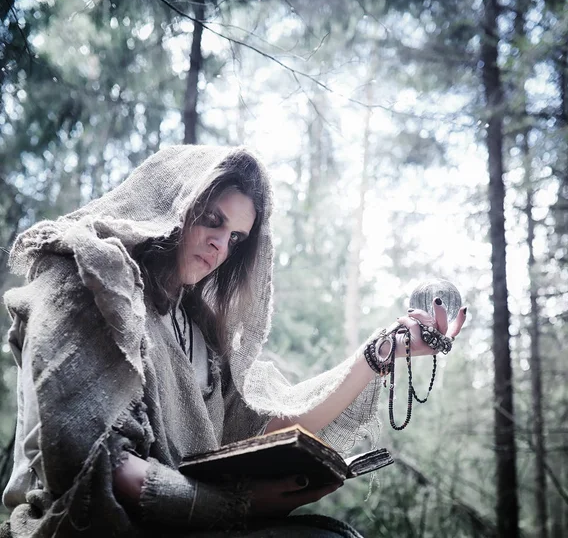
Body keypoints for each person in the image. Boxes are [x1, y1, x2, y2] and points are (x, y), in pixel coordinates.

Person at [2, 145, 466, 537]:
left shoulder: (196, 329)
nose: (221, 247)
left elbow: (274, 425)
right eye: (211, 220)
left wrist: (382, 351)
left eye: (237, 237)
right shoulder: (88, 277)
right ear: (172, 204)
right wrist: (238, 505)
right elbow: (98, 468)